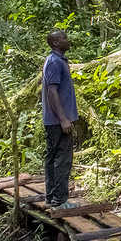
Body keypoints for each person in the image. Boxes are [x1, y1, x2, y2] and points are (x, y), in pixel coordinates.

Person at [41, 30, 78, 209]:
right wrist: (63, 119)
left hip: (55, 120)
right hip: (57, 121)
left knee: (54, 157)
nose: (67, 40)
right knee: (62, 159)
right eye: (63, 38)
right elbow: (51, 91)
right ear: (55, 43)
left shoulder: (57, 60)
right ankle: (59, 200)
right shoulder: (54, 62)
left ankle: (52, 198)